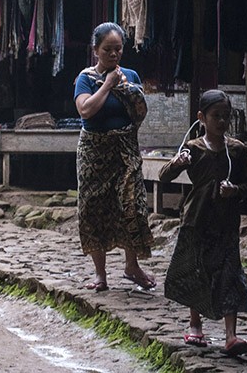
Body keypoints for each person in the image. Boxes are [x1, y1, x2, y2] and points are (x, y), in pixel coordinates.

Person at [159, 90, 247, 357]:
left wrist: (233, 190)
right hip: (196, 219)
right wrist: (178, 162)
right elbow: (165, 176)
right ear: (202, 117)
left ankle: (231, 336)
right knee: (197, 271)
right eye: (216, 116)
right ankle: (195, 323)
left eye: (226, 117)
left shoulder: (236, 149)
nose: (221, 122)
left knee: (230, 275)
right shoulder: (192, 147)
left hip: (226, 221)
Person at [74, 22, 155, 293]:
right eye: (107, 49)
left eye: (118, 49)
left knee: (132, 205)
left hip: (125, 150)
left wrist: (125, 87)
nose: (113, 55)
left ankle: (132, 266)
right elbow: (86, 110)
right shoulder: (86, 78)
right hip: (94, 152)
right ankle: (100, 274)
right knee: (94, 208)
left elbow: (140, 111)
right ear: (95, 50)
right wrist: (108, 85)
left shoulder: (130, 75)